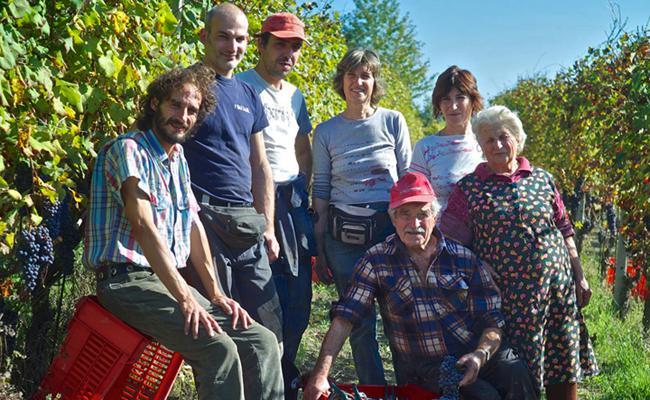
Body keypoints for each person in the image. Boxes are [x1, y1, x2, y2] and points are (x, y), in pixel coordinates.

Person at [82, 66, 283, 399]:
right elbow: (144, 227)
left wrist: (216, 294)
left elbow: (193, 226)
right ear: (154, 104)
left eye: (192, 110)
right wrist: (187, 297)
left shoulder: (177, 159)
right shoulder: (128, 150)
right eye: (176, 105)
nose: (183, 116)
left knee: (260, 342)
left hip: (162, 281)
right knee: (217, 348)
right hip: (126, 282)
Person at [304, 172, 537, 400]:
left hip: (473, 351)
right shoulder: (376, 260)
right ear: (393, 219)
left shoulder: (463, 258)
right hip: (422, 367)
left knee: (514, 370)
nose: (414, 223)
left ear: (435, 217)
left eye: (422, 214)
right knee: (482, 395)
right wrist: (320, 375)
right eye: (405, 214)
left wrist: (480, 354)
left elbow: (492, 321)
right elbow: (346, 318)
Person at [441, 105, 599, 399]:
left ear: (517, 138)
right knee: (522, 369)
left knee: (562, 360)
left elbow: (564, 228)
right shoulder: (470, 188)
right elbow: (449, 241)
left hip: (557, 292)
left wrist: (580, 276)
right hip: (512, 299)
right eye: (489, 140)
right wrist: (477, 265)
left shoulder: (542, 179)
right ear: (481, 146)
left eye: (504, 137)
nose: (498, 145)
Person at [183, 3, 283, 344]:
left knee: (269, 320)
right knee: (220, 327)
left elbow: (260, 165)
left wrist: (267, 225)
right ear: (204, 37)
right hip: (204, 220)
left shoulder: (248, 93)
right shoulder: (187, 88)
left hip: (246, 222)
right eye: (224, 37)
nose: (233, 46)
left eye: (240, 38)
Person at [311, 48, 412, 385]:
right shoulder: (326, 132)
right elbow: (322, 189)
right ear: (341, 81)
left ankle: (411, 387)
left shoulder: (392, 121)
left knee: (399, 316)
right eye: (352, 75)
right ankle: (375, 389)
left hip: (387, 231)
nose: (358, 82)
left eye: (365, 75)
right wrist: (321, 245)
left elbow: (408, 180)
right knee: (358, 320)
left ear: (374, 81)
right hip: (344, 237)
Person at [237, 12, 315, 399]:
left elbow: (303, 145)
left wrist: (308, 190)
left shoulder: (295, 95)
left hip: (293, 199)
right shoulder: (240, 87)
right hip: (252, 201)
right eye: (280, 43)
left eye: (295, 46)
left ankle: (286, 375)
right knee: (260, 294)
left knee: (299, 296)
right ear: (261, 44)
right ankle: (258, 379)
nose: (288, 52)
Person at [410, 65, 484, 210]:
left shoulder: (487, 143)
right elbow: (414, 198)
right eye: (446, 99)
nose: (453, 106)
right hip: (440, 231)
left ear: (473, 101)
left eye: (460, 98)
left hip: (484, 230)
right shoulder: (425, 147)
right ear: (438, 104)